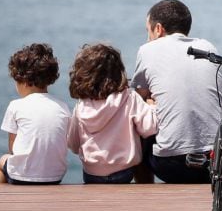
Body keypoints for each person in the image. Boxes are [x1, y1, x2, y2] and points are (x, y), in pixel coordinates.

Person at [132, 0, 222, 183]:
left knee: (137, 118)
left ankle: (144, 188)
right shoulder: (208, 47)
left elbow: (137, 100)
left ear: (158, 29)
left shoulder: (147, 50)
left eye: (147, 30)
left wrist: (150, 102)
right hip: (214, 162)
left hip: (170, 166)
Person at [66, 43, 158, 183]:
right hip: (124, 172)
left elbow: (73, 144)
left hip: (92, 174)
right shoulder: (129, 97)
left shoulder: (81, 105)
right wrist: (152, 107)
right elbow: (150, 128)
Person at [0, 43, 70, 185]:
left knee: (2, 161)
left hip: (21, 177)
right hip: (55, 177)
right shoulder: (63, 107)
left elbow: (13, 148)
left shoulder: (15, 106)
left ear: (25, 81)